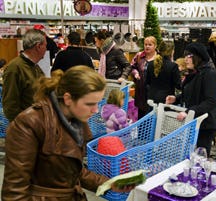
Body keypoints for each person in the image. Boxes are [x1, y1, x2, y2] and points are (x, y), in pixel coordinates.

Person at [1, 66, 134, 200]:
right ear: (68, 98)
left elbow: (71, 172)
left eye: (97, 103)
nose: (95, 110)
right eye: (89, 104)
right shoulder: (29, 123)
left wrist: (108, 183)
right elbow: (14, 192)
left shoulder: (75, 120)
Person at [165, 42, 216, 156]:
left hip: (206, 122)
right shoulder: (195, 73)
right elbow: (192, 94)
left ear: (197, 57)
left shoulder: (209, 74)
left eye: (189, 56)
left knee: (200, 155)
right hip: (196, 119)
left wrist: (188, 112)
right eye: (185, 56)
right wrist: (176, 99)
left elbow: (210, 101)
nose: (186, 59)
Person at [2, 28, 47, 122]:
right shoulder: (14, 68)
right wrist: (23, 126)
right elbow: (10, 105)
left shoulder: (34, 66)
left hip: (36, 124)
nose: (46, 49)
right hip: (26, 128)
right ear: (38, 46)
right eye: (45, 46)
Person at [145, 40, 181, 105]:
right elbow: (178, 85)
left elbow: (147, 82)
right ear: (172, 51)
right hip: (167, 100)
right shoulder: (173, 66)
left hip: (151, 99)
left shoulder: (150, 64)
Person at [131, 36, 157, 119]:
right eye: (146, 44)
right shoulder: (139, 56)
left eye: (150, 44)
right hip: (141, 92)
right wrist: (135, 73)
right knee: (141, 118)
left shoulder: (159, 58)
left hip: (154, 93)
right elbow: (132, 67)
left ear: (155, 46)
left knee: (152, 118)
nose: (147, 46)